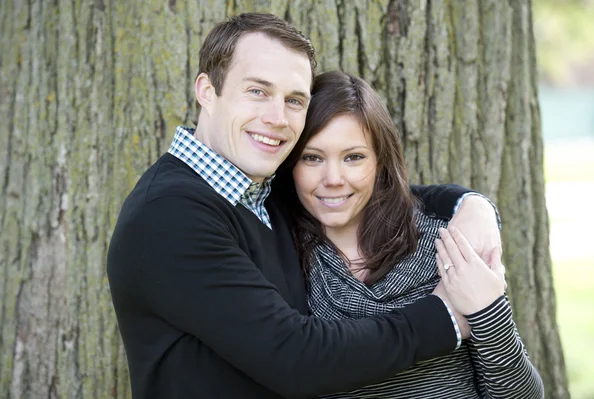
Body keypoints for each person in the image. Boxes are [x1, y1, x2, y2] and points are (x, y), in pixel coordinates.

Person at [107, 13, 504, 399]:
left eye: (294, 100)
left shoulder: (257, 189)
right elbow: (296, 358)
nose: (277, 118)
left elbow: (369, 189)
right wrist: (449, 315)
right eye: (257, 91)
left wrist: (473, 206)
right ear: (207, 91)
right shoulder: (169, 216)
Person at [275, 71, 544, 398]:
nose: (333, 178)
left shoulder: (445, 242)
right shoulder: (280, 253)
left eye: (354, 157)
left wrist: (489, 312)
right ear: (291, 165)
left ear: (380, 161)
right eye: (312, 158)